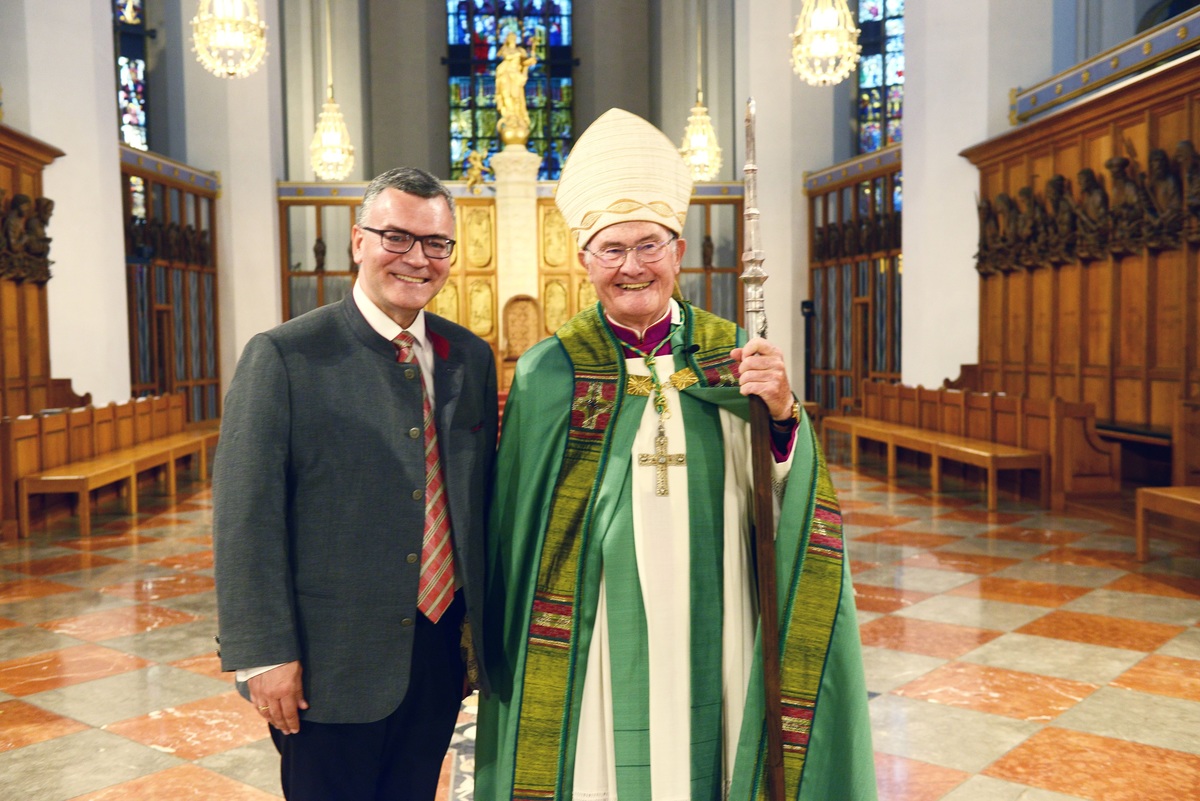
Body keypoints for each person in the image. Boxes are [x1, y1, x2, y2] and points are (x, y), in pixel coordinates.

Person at [476, 109, 876, 800]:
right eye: (612, 249)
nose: (632, 266)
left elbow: (790, 489)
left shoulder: (735, 356)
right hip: (594, 629)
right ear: (584, 259)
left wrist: (783, 415)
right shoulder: (550, 372)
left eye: (648, 245)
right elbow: (517, 529)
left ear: (679, 249)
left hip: (717, 605)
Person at [213, 166, 498, 801]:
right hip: (327, 663)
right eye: (397, 237)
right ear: (357, 241)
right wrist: (264, 655)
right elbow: (244, 519)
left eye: (436, 244)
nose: (418, 259)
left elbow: (477, 502)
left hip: (437, 651)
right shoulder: (285, 356)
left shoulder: (468, 358)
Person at [495, 31, 537, 143]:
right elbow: (507, 56)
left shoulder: (521, 51)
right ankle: (510, 117)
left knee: (517, 97)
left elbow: (526, 62)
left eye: (514, 36)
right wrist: (518, 56)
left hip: (516, 77)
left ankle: (517, 118)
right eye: (510, 36)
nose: (512, 38)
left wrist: (532, 57)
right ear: (507, 39)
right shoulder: (505, 50)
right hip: (506, 75)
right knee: (506, 95)